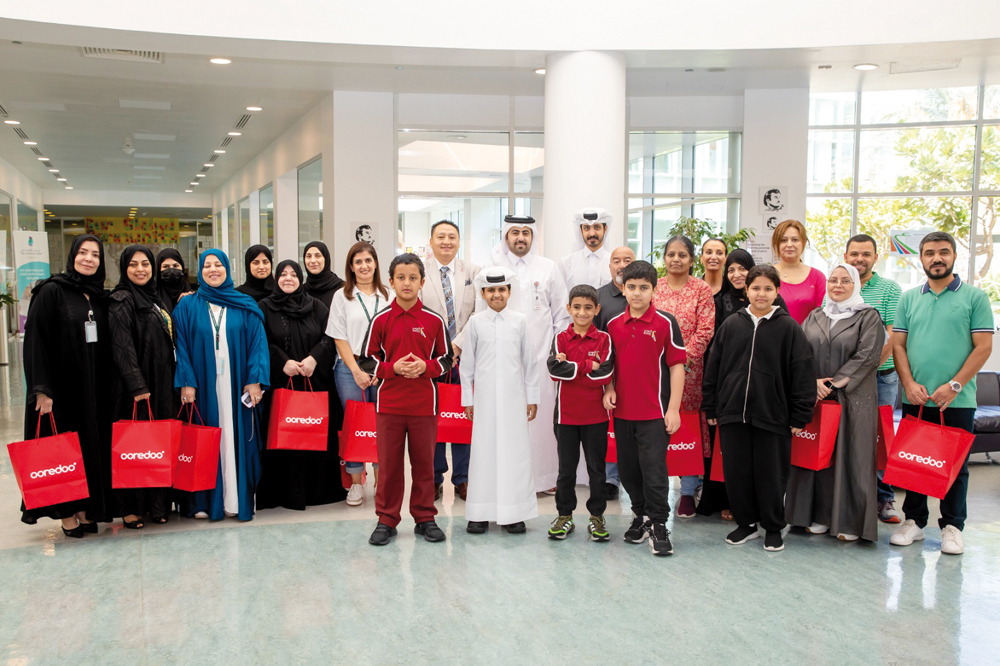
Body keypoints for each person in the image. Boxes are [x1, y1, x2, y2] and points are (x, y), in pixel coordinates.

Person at [889, 231, 994, 556]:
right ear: (920, 258)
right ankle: (915, 522)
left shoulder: (975, 298)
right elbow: (898, 345)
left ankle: (952, 526)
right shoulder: (909, 298)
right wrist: (907, 383)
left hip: (957, 399)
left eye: (943, 252)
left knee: (955, 466)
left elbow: (983, 347)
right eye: (930, 252)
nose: (937, 258)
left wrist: (955, 385)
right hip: (917, 398)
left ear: (953, 256)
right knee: (916, 462)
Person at [702, 265, 816, 552]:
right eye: (755, 288)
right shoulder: (732, 324)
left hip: (773, 415)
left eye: (768, 288)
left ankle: (774, 526)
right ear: (746, 290)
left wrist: (800, 414)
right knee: (737, 471)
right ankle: (746, 523)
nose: (761, 293)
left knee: (771, 474)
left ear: (777, 291)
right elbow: (714, 367)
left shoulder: (788, 327)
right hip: (732, 414)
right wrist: (712, 406)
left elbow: (802, 372)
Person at [20, 234, 114, 536]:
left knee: (89, 449)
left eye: (95, 255)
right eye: (83, 253)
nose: (89, 259)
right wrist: (42, 390)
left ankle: (87, 509)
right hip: (61, 391)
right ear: (72, 255)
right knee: (63, 453)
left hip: (95, 389)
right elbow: (36, 342)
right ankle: (67, 514)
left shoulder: (98, 296)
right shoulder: (51, 291)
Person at [359, 254, 454, 546]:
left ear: (422, 282)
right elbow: (365, 360)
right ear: (391, 282)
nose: (407, 283)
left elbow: (447, 359)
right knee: (388, 467)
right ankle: (386, 519)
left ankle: (425, 518)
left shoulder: (434, 320)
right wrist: (393, 369)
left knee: (425, 465)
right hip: (389, 406)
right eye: (401, 278)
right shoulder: (381, 320)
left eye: (413, 278)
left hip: (425, 406)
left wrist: (427, 367)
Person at [787, 263, 884, 542]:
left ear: (856, 285)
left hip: (853, 400)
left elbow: (868, 355)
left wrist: (832, 382)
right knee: (817, 457)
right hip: (817, 398)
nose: (838, 285)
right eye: (832, 280)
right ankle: (817, 516)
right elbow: (799, 352)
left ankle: (850, 523)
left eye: (845, 281)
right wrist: (811, 382)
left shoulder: (868, 316)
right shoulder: (816, 315)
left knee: (851, 457)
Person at [174, 249, 270, 521]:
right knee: (205, 441)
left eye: (218, 265)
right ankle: (203, 501)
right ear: (199, 271)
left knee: (236, 440)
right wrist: (186, 382)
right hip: (203, 386)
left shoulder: (244, 304)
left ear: (228, 269)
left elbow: (257, 345)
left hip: (237, 384)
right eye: (207, 265)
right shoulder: (187, 306)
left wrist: (254, 380)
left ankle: (235, 501)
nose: (213, 269)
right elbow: (180, 346)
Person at [602, 260, 686, 556]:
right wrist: (609, 388)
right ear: (623, 289)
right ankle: (640, 517)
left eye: (644, 288)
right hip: (622, 414)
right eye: (632, 287)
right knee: (628, 472)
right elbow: (607, 365)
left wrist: (673, 408)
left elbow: (677, 367)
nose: (637, 293)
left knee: (654, 472)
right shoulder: (612, 324)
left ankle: (659, 523)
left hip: (654, 414)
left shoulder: (665, 322)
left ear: (654, 289)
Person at [699, 248, 787, 520]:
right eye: (732, 269)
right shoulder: (723, 306)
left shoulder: (781, 316)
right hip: (731, 396)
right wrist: (712, 401)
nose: (737, 274)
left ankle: (766, 515)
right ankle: (733, 507)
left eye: (742, 269)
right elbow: (715, 357)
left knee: (763, 461)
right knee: (731, 458)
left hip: (766, 400)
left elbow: (791, 360)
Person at [486, 215, 570, 492]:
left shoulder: (548, 268)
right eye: (515, 232)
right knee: (506, 419)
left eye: (526, 232)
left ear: (533, 236)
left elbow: (561, 314)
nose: (520, 237)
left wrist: (555, 353)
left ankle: (544, 479)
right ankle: (507, 479)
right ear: (506, 236)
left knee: (542, 421)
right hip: (502, 360)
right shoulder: (493, 267)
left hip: (541, 360)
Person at [255, 260, 347, 511]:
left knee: (312, 435)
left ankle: (316, 492)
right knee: (281, 437)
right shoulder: (264, 307)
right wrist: (282, 361)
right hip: (280, 384)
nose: (288, 278)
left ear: (300, 278)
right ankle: (282, 493)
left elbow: (331, 335)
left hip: (314, 383)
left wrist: (314, 358)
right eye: (283, 274)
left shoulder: (316, 306)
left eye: (293, 274)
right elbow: (259, 340)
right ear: (276, 278)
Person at [462, 266, 539, 534]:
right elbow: (467, 366)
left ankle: (513, 513)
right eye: (491, 290)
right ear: (483, 293)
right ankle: (479, 512)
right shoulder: (475, 322)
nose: (496, 294)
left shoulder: (519, 321)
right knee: (483, 453)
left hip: (514, 399)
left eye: (502, 290)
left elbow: (530, 362)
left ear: (509, 292)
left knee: (513, 454)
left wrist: (533, 398)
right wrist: (467, 400)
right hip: (483, 400)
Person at [109, 245, 178, 528]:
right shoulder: (120, 300)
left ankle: (158, 504)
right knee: (134, 447)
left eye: (146, 264)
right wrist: (137, 386)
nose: (140, 269)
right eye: (134, 264)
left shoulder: (155, 299)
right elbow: (121, 346)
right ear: (125, 268)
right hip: (135, 389)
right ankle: (131, 508)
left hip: (162, 383)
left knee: (159, 444)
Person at [652, 235, 715, 519]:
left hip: (689, 371)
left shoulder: (701, 289)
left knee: (687, 424)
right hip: (654, 370)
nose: (676, 259)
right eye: (671, 254)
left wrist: (680, 360)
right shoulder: (654, 287)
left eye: (682, 255)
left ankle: (688, 491)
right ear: (664, 258)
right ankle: (656, 488)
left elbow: (705, 330)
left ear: (692, 259)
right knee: (655, 426)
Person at [326, 242, 393, 505]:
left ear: (376, 263)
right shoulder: (342, 296)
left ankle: (381, 481)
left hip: (383, 369)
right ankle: (355, 483)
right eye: (358, 262)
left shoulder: (388, 295)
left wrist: (381, 369)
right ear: (351, 267)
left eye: (368, 260)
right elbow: (339, 338)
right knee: (354, 425)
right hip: (349, 367)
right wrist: (356, 371)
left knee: (383, 425)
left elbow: (394, 336)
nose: (364, 266)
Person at [844, 234, 904, 524]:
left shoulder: (890, 289)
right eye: (854, 254)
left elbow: (894, 335)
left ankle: (883, 498)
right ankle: (848, 497)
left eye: (866, 254)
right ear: (846, 257)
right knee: (848, 436)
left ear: (875, 257)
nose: (859, 259)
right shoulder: (839, 286)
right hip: (846, 380)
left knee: (880, 438)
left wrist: (866, 369)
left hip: (881, 377)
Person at [419, 219, 480, 501]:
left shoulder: (473, 271)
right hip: (431, 358)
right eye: (440, 237)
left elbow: (478, 314)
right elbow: (418, 312)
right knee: (435, 421)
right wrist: (440, 349)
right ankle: (434, 477)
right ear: (430, 242)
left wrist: (457, 344)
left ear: (458, 241)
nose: (446, 241)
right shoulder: (420, 272)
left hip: (465, 356)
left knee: (463, 416)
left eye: (452, 237)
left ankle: (463, 478)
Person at [547, 284, 614, 541]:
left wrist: (572, 368)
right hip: (565, 418)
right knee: (566, 471)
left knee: (597, 471)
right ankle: (565, 516)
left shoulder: (605, 339)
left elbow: (605, 374)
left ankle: (597, 517)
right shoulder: (561, 338)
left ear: (597, 309)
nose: (582, 312)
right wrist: (587, 365)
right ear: (568, 309)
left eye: (588, 307)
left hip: (596, 417)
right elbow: (554, 371)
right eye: (577, 307)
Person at [595, 245, 635, 499]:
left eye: (627, 260)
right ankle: (610, 478)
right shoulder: (599, 297)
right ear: (609, 266)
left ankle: (634, 477)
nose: (621, 265)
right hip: (609, 374)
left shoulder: (646, 293)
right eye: (616, 260)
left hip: (639, 374)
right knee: (609, 427)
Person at [771, 219, 826, 324]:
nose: (789, 245)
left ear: (804, 242)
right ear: (777, 244)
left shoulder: (817, 277)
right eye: (783, 240)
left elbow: (822, 316)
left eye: (795, 240)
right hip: (774, 338)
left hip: (807, 338)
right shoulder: (767, 275)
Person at [560, 207, 612, 290]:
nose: (592, 233)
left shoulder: (613, 262)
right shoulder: (567, 263)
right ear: (581, 230)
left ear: (605, 229)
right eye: (587, 228)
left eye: (597, 227)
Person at [302, 241, 346, 310]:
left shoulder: (342, 288)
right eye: (309, 256)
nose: (313, 260)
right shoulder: (302, 291)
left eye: (318, 256)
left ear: (326, 258)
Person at [155, 248, 193, 315]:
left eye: (175, 266)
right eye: (166, 266)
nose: (171, 270)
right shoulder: (153, 293)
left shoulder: (189, 292)